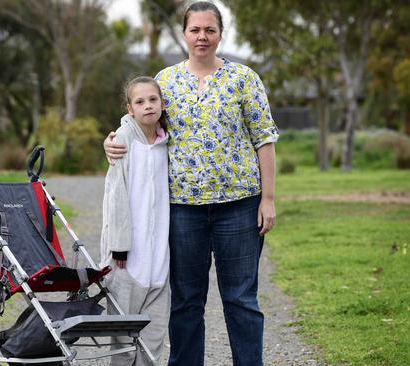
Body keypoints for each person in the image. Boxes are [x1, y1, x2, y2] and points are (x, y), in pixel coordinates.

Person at [104, 2, 280, 365]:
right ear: (184, 33)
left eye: (209, 30)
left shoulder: (244, 79)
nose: (202, 37)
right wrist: (111, 142)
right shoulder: (165, 81)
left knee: (241, 299)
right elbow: (138, 122)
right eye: (195, 30)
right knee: (186, 301)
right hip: (183, 211)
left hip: (239, 206)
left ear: (220, 33)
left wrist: (268, 199)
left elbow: (264, 139)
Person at [100, 76, 171, 365]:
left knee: (154, 331)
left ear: (162, 104)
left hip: (158, 255)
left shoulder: (167, 141)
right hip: (126, 254)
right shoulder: (123, 139)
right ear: (130, 108)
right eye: (140, 102)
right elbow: (115, 194)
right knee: (123, 330)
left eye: (153, 100)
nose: (148, 106)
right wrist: (119, 245)